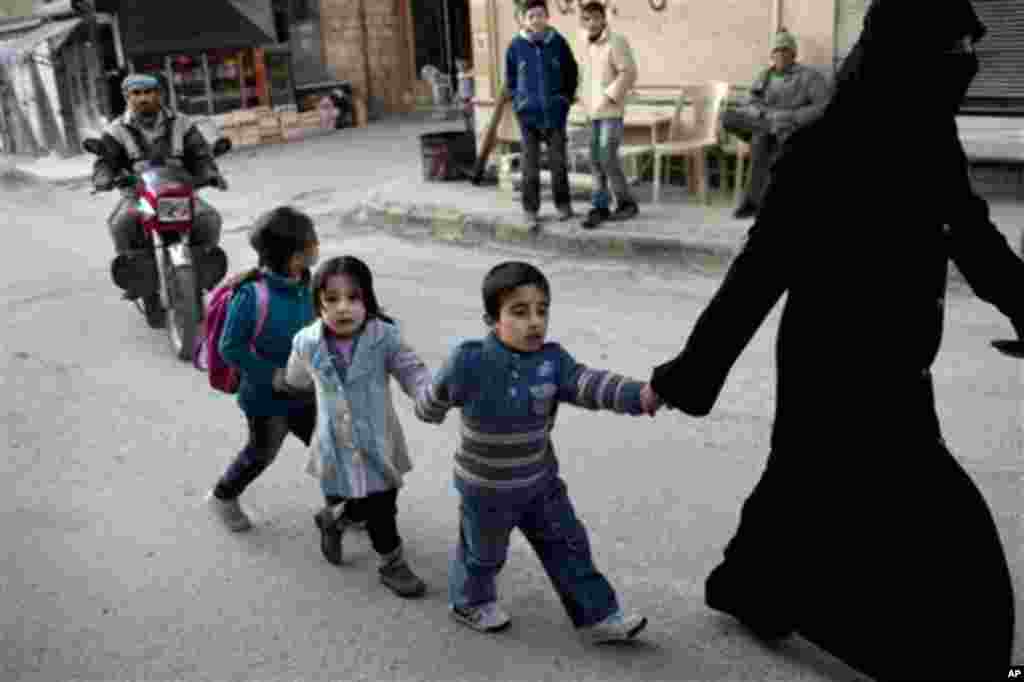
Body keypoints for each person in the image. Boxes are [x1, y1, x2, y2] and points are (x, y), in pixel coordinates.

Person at [647, 1, 1017, 679]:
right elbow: (757, 272)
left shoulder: (931, 137)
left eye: (971, 43)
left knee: (796, 484)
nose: (967, 61)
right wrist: (690, 375)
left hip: (904, 362)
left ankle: (749, 589)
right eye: (952, 46)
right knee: (948, 530)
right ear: (907, 54)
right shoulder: (821, 148)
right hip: (834, 370)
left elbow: (975, 237)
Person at [415, 261, 660, 643]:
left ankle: (598, 616)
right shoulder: (469, 360)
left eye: (542, 310)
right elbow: (432, 402)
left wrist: (640, 396)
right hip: (486, 490)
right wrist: (427, 403)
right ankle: (469, 601)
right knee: (483, 555)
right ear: (491, 318)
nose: (534, 322)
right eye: (519, 311)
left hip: (539, 483)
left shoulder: (552, 360)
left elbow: (589, 384)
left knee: (569, 545)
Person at [283, 255, 430, 598]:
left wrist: (427, 396)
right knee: (363, 502)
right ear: (318, 302)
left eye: (354, 298)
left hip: (378, 439)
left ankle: (358, 536)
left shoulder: (385, 336)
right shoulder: (306, 341)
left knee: (383, 501)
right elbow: (296, 378)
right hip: (334, 441)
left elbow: (412, 371)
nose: (343, 308)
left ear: (368, 299)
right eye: (332, 299)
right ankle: (366, 542)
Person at [206, 207, 320, 533]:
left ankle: (346, 505)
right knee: (261, 453)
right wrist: (272, 374)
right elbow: (231, 347)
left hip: (307, 392)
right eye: (313, 241)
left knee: (329, 446)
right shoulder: (252, 295)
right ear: (296, 257)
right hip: (266, 400)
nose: (318, 245)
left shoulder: (309, 286)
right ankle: (223, 496)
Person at [92, 73, 228, 327]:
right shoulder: (116, 129)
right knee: (124, 221)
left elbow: (201, 154)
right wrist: (104, 178)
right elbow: (104, 161)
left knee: (208, 218)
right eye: (137, 93)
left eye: (149, 92)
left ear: (160, 94)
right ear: (127, 97)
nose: (144, 98)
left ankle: (200, 273)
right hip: (140, 196)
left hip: (179, 191)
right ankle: (140, 282)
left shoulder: (183, 124)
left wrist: (210, 174)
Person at [721, 28, 829, 219]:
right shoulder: (765, 76)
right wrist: (764, 115)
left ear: (793, 53)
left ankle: (751, 203)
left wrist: (790, 117)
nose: (779, 54)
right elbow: (750, 102)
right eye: (776, 51)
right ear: (772, 55)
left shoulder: (809, 76)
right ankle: (771, 128)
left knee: (760, 140)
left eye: (784, 50)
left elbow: (823, 106)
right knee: (727, 116)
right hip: (766, 123)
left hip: (791, 128)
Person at [506, 0, 579, 231]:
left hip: (555, 114)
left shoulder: (558, 43)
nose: (536, 20)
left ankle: (564, 205)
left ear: (547, 17)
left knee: (558, 162)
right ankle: (530, 210)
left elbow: (572, 73)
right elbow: (510, 80)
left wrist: (564, 100)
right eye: (531, 16)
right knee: (530, 164)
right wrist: (519, 103)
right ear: (524, 19)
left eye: (540, 15)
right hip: (528, 116)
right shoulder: (516, 46)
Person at [578, 1, 639, 230]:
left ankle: (626, 203)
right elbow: (585, 76)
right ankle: (600, 206)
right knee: (595, 159)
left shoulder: (616, 42)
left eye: (595, 18)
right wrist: (581, 99)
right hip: (592, 112)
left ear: (603, 19)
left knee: (607, 156)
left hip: (610, 110)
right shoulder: (585, 45)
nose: (592, 23)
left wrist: (610, 96)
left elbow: (629, 72)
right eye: (587, 19)